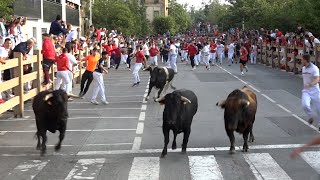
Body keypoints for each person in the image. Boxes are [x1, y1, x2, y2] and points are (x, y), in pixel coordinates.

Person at [300, 54, 320, 129]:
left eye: (302, 59)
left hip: (315, 91)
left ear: (305, 60)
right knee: (305, 105)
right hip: (306, 91)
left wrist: (310, 84)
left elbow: (318, 79)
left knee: (318, 109)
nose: (301, 61)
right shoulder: (303, 68)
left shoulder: (314, 68)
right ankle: (310, 116)